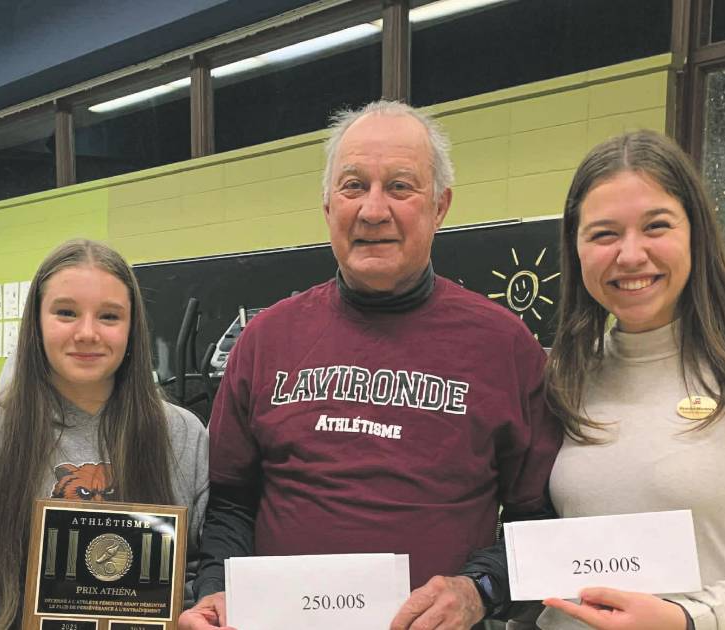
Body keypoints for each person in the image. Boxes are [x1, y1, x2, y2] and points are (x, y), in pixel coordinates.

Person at [179, 100, 562, 630]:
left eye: (400, 187)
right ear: (327, 206)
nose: (373, 210)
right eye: (353, 186)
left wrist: (480, 589)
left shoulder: (506, 347)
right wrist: (216, 589)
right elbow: (231, 506)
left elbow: (538, 524)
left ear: (440, 206)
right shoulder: (265, 340)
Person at [537, 130, 725, 629]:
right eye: (603, 234)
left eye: (656, 226)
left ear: (696, 232)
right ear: (576, 249)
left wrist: (686, 619)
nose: (630, 255)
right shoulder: (564, 378)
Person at [0, 238, 210, 629]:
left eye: (109, 316)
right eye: (66, 312)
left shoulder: (182, 434)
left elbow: (195, 569)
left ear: (132, 327)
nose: (87, 333)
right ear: (35, 321)